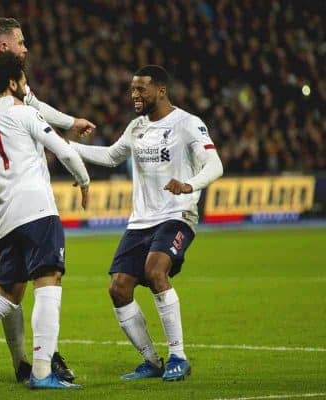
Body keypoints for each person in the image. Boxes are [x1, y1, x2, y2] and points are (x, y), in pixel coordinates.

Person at [0, 16, 92, 383]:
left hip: (4, 205)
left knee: (7, 292)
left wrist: (68, 120)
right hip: (13, 201)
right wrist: (12, 108)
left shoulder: (15, 95)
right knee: (47, 280)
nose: (26, 48)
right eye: (21, 42)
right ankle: (40, 367)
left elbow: (35, 105)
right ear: (3, 47)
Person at [70, 65, 223, 381]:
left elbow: (215, 164)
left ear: (161, 90)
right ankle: (151, 361)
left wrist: (189, 185)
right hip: (141, 220)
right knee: (119, 288)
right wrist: (66, 148)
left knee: (155, 272)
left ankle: (178, 356)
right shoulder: (136, 127)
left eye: (141, 89)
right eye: (132, 89)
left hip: (177, 214)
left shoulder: (187, 124)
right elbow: (112, 156)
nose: (134, 95)